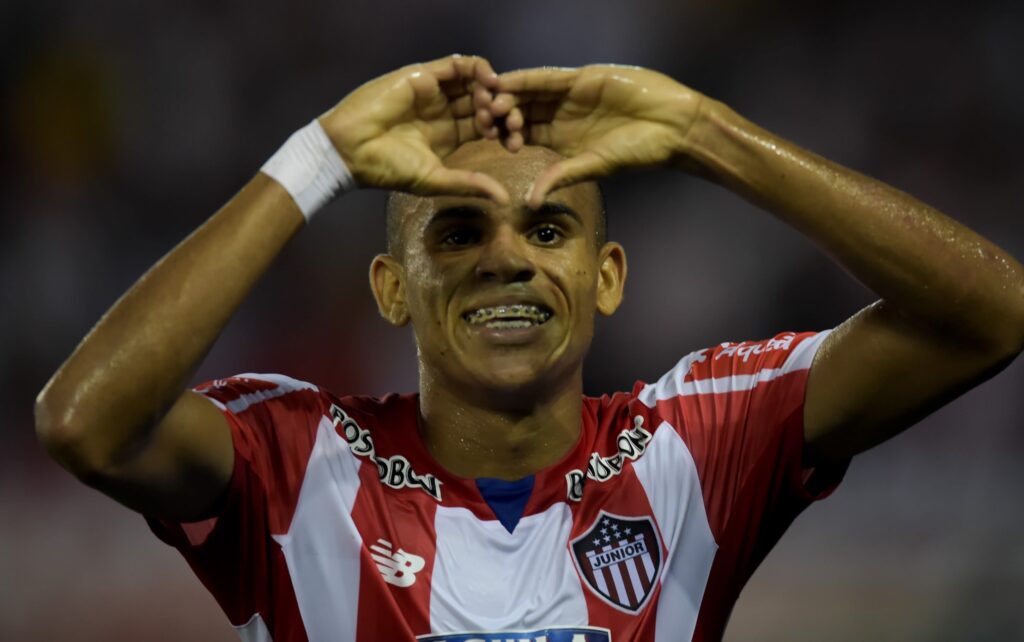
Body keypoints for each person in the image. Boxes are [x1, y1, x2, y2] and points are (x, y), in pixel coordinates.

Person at [35, 54, 1024, 642]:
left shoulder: (696, 444)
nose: (506, 259)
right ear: (391, 288)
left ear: (607, 277)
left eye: (548, 229)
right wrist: (317, 158)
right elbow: (84, 423)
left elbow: (989, 316)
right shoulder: (295, 462)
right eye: (458, 232)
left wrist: (704, 131)